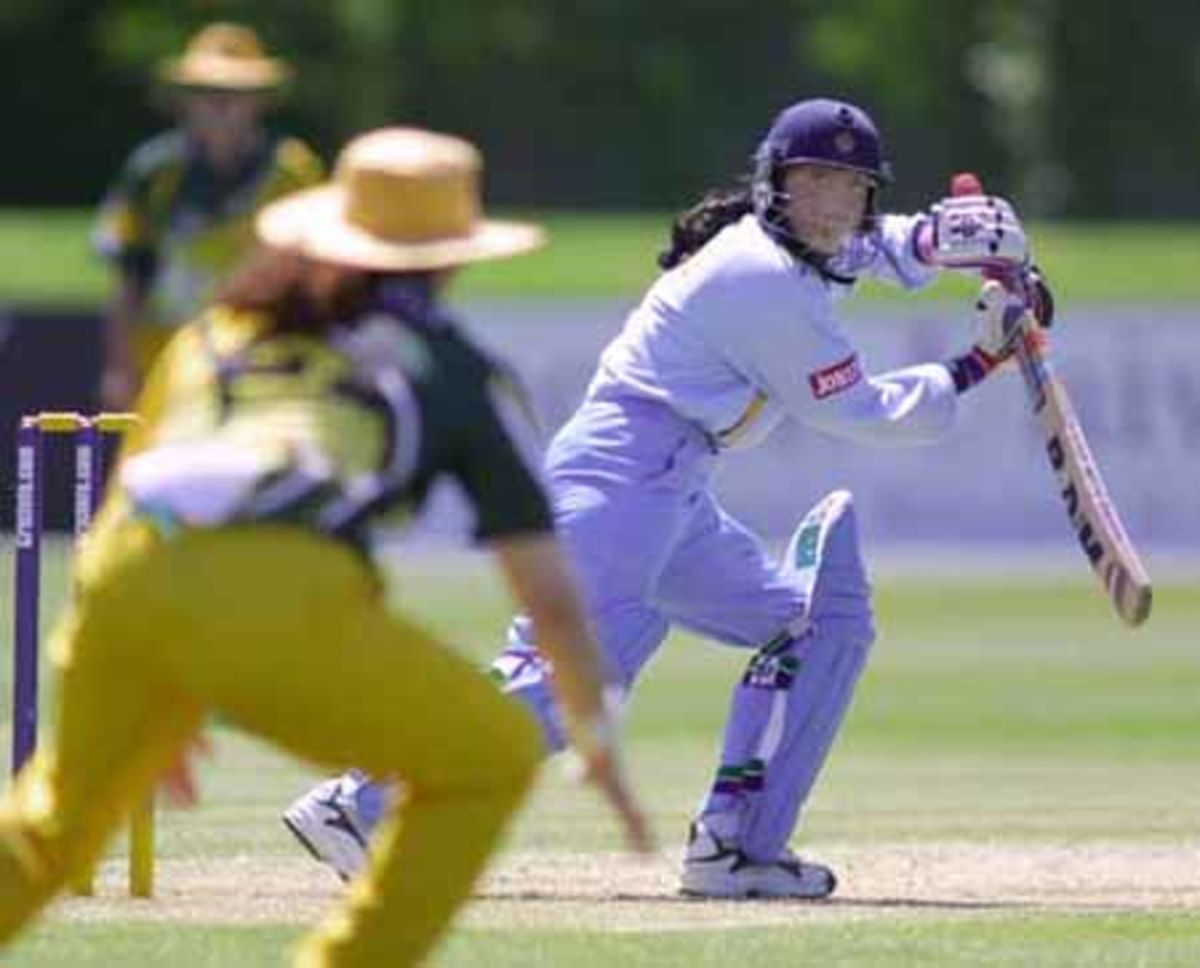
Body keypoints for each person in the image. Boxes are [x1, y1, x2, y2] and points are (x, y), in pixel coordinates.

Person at [284, 98, 1049, 898]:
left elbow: (867, 247)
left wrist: (938, 239)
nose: (833, 203)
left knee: (818, 625)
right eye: (815, 180)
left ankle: (736, 848)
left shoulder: (805, 246)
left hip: (671, 488)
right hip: (624, 476)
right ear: (775, 185)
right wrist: (979, 362)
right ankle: (357, 803)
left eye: (852, 186)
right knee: (569, 683)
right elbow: (858, 410)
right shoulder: (758, 277)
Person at [0, 126, 649, 967]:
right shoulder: (450, 367)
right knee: (492, 753)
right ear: (453, 255)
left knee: (51, 828)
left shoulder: (217, 330)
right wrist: (594, 743)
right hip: (276, 589)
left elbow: (138, 485)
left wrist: (154, 673)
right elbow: (550, 595)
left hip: (120, 577)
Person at [92, 21, 324, 409]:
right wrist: (119, 368)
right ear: (185, 100)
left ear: (260, 99)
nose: (221, 104)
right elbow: (129, 278)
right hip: (166, 363)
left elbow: (312, 279)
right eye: (207, 92)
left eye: (236, 93)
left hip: (260, 363)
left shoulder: (294, 172)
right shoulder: (153, 171)